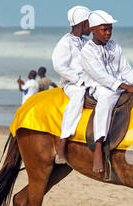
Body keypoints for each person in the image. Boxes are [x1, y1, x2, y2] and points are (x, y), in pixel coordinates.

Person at [80, 10, 133, 172]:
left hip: (120, 85)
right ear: (93, 29)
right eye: (105, 29)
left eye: (110, 29)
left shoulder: (114, 46)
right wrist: (126, 86)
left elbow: (125, 68)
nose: (108, 32)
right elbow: (100, 76)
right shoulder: (87, 51)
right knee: (107, 98)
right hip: (98, 87)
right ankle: (98, 146)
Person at [52, 5, 91, 164]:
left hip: (89, 81)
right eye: (90, 23)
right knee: (78, 97)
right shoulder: (65, 42)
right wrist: (77, 80)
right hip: (73, 84)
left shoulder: (86, 42)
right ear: (82, 24)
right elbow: (59, 65)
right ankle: (63, 141)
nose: (93, 26)